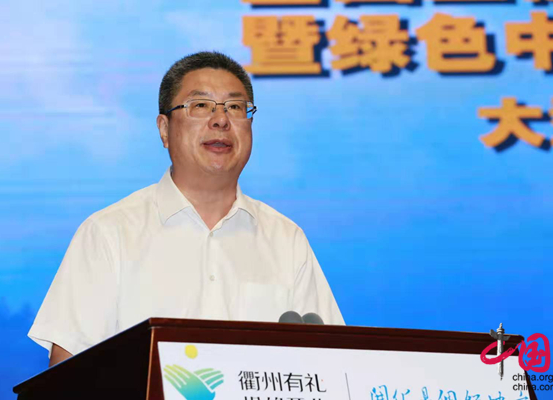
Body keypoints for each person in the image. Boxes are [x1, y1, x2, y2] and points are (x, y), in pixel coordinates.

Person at [28, 51, 344, 367]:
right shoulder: (109, 233)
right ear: (164, 129)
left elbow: (333, 364)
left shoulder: (286, 240)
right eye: (200, 106)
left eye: (235, 107)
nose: (221, 120)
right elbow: (67, 374)